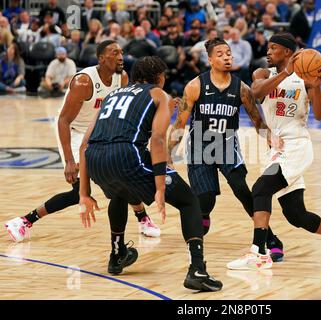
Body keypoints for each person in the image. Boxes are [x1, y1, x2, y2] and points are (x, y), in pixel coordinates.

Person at [227, 32, 321, 270]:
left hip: (297, 145)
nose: (268, 52)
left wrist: (316, 87)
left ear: (288, 52)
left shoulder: (305, 81)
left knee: (260, 189)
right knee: (297, 216)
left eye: (273, 48)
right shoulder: (263, 74)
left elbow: (319, 114)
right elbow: (256, 93)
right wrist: (286, 72)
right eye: (268, 48)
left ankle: (259, 253)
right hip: (276, 150)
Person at [78, 56, 223, 291]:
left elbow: (84, 145)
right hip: (126, 154)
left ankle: (117, 255)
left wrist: (84, 193)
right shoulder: (159, 94)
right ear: (159, 77)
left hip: (95, 159)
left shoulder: (113, 95)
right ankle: (197, 269)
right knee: (189, 202)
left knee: (120, 193)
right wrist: (160, 186)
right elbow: (156, 139)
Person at [5, 41, 159, 242]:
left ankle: (142, 218)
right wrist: (69, 160)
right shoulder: (84, 82)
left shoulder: (121, 77)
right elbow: (63, 120)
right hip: (74, 131)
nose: (121, 56)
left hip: (100, 129)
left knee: (121, 172)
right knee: (78, 192)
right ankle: (24, 221)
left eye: (121, 52)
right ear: (102, 58)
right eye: (115, 53)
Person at [167, 37, 286, 262]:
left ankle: (270, 239)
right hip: (200, 146)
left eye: (229, 53)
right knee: (206, 200)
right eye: (220, 54)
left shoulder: (241, 89)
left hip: (227, 144)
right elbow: (179, 124)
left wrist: (272, 140)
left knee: (242, 189)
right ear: (210, 59)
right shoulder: (195, 86)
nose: (226, 57)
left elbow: (257, 122)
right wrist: (169, 155)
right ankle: (203, 214)